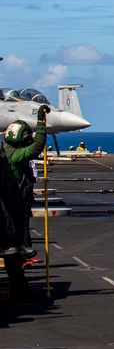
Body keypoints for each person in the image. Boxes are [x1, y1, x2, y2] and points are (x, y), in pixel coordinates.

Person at [1, 105, 49, 260]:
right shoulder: (15, 156)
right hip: (14, 205)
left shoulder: (5, 152)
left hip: (10, 204)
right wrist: (41, 123)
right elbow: (36, 148)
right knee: (14, 245)